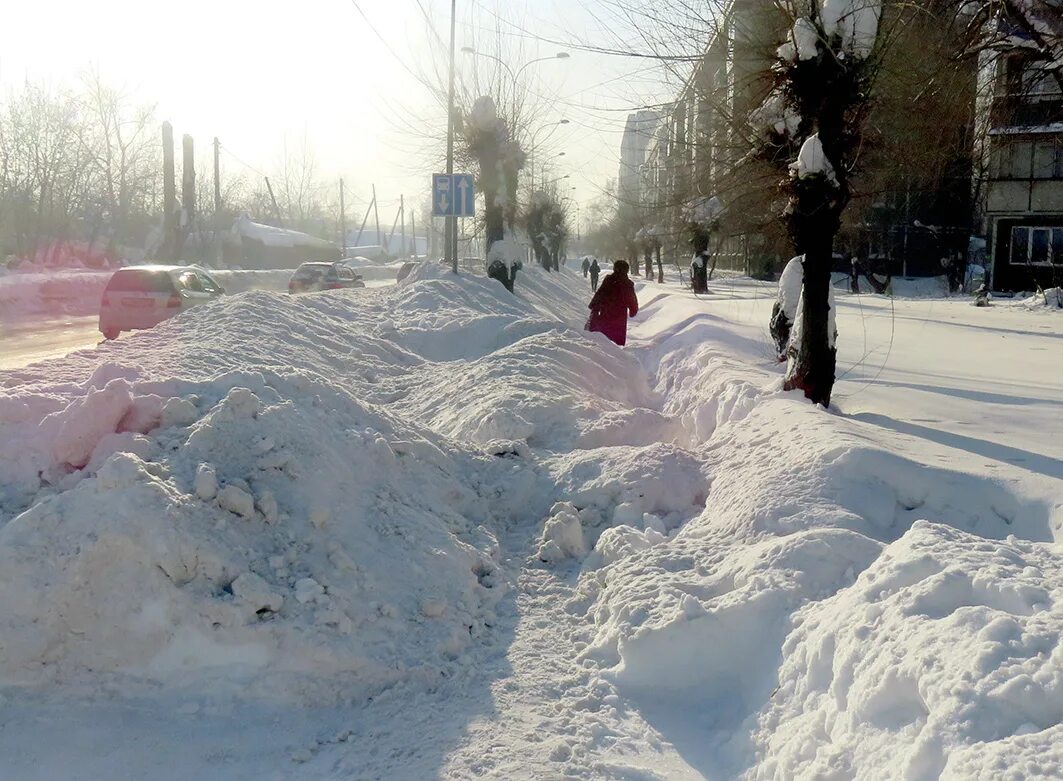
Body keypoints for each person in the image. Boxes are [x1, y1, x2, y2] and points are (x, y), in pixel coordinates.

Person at [586, 260, 639, 346]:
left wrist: (594, 305)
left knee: (606, 333)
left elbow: (600, 293)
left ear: (615, 269)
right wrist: (633, 310)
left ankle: (607, 351)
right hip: (620, 314)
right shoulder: (628, 284)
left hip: (607, 310)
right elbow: (631, 299)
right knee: (617, 335)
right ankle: (616, 351)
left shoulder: (609, 280)